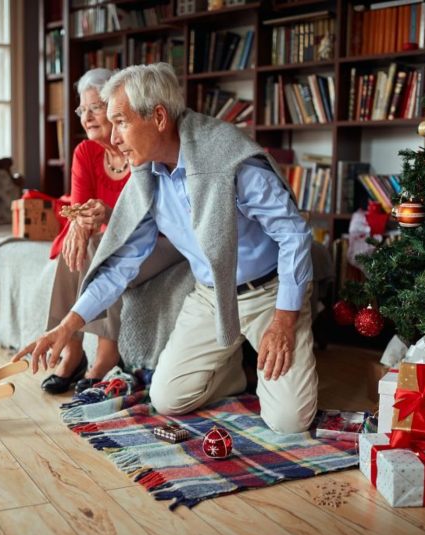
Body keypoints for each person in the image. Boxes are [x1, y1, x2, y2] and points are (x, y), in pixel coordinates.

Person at [16, 63, 317, 433]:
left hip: (269, 294)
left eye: (121, 122)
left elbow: (294, 235)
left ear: (158, 116)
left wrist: (285, 321)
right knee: (168, 399)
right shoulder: (147, 174)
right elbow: (122, 262)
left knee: (290, 422)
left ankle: (266, 352)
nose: (113, 137)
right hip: (211, 296)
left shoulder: (232, 161)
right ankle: (233, 373)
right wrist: (68, 325)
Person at [42, 68, 183, 394]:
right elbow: (78, 211)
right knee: (77, 242)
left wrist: (105, 218)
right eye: (82, 110)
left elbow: (149, 218)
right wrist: (78, 226)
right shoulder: (86, 152)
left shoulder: (141, 147)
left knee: (102, 242)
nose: (87, 117)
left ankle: (106, 352)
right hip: (113, 237)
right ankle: (71, 348)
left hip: (160, 241)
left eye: (95, 108)